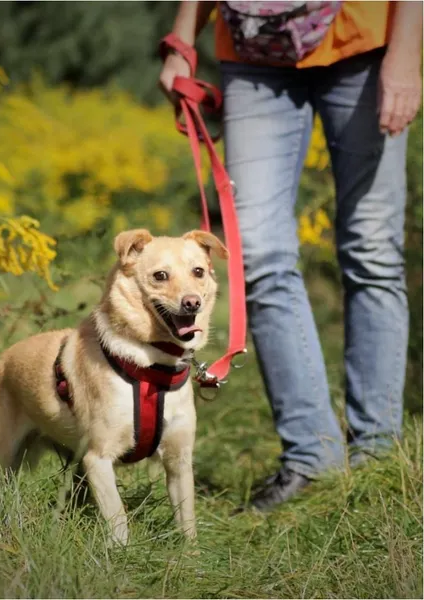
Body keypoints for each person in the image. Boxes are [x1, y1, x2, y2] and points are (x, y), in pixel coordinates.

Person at [159, 1, 422, 511]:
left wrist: (407, 51)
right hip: (253, 54)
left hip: (364, 42)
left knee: (372, 250)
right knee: (257, 252)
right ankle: (311, 455)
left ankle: (377, 457)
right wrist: (182, 42)